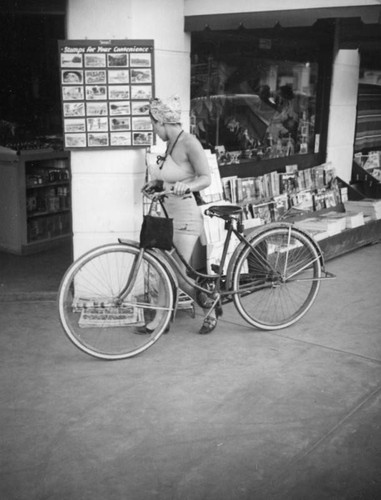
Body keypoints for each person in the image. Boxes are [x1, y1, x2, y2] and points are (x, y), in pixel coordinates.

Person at [141, 95, 219, 334]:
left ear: (163, 121)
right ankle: (160, 321)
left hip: (185, 217)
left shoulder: (189, 142)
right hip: (169, 216)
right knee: (166, 269)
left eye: (154, 124)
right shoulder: (170, 145)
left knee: (178, 275)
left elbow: (205, 177)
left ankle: (211, 306)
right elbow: (177, 175)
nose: (154, 130)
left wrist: (189, 186)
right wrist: (156, 183)